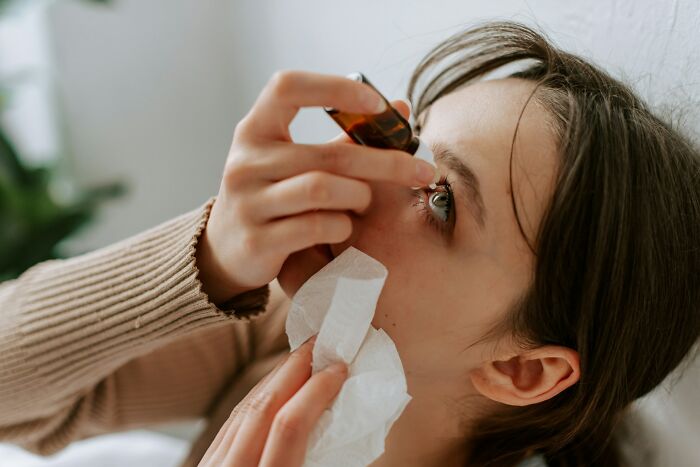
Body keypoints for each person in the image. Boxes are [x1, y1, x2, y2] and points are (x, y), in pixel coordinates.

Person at [1, 21, 699, 467]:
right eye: (404, 141)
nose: (354, 177)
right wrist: (205, 262)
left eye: (442, 200)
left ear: (522, 371)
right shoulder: (283, 330)